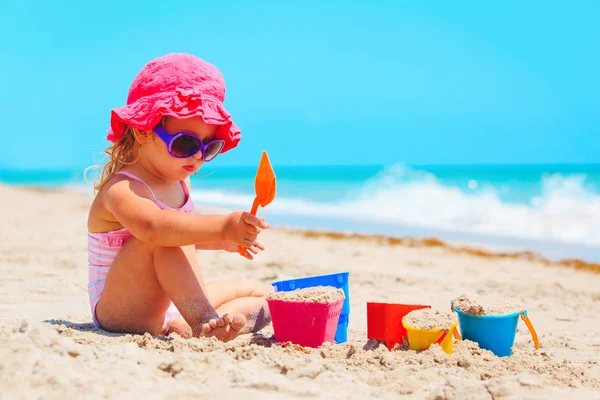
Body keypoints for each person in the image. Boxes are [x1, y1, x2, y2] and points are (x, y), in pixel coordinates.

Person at [86, 53, 273, 342]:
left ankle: (215, 324)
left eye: (209, 147)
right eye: (185, 143)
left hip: (172, 306)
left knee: (262, 293)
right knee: (161, 237)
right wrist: (223, 225)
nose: (198, 156)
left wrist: (223, 241)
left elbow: (184, 234)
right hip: (122, 311)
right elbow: (157, 228)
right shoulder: (121, 189)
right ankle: (202, 321)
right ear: (142, 131)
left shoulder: (179, 182)